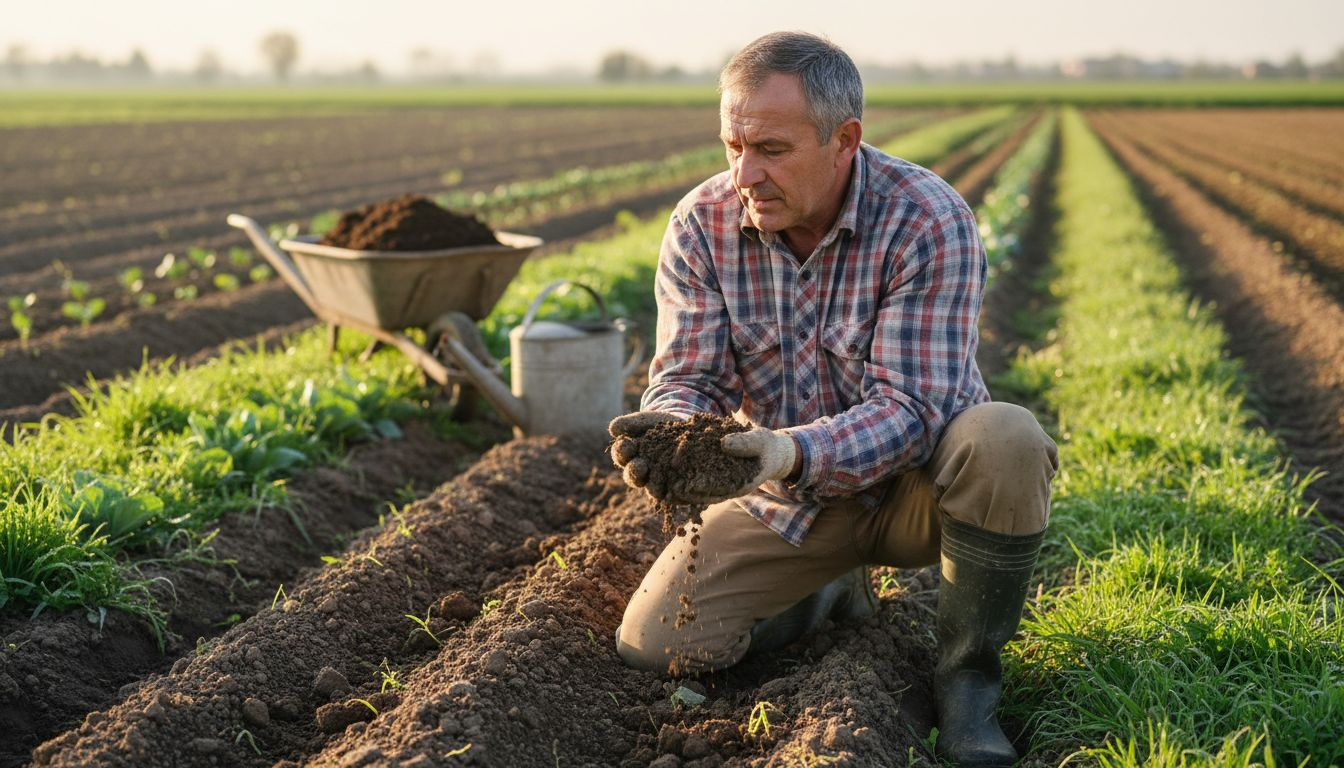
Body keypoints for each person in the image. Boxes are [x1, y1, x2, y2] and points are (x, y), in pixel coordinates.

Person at [607, 31, 1057, 768]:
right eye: (732, 146)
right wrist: (671, 427)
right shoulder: (702, 224)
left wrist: (791, 450)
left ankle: (969, 686)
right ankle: (828, 590)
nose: (745, 173)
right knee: (659, 646)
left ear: (845, 139)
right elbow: (691, 373)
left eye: (772, 150)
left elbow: (914, 410)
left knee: (1006, 437)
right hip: (794, 500)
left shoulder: (926, 217)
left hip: (920, 493)